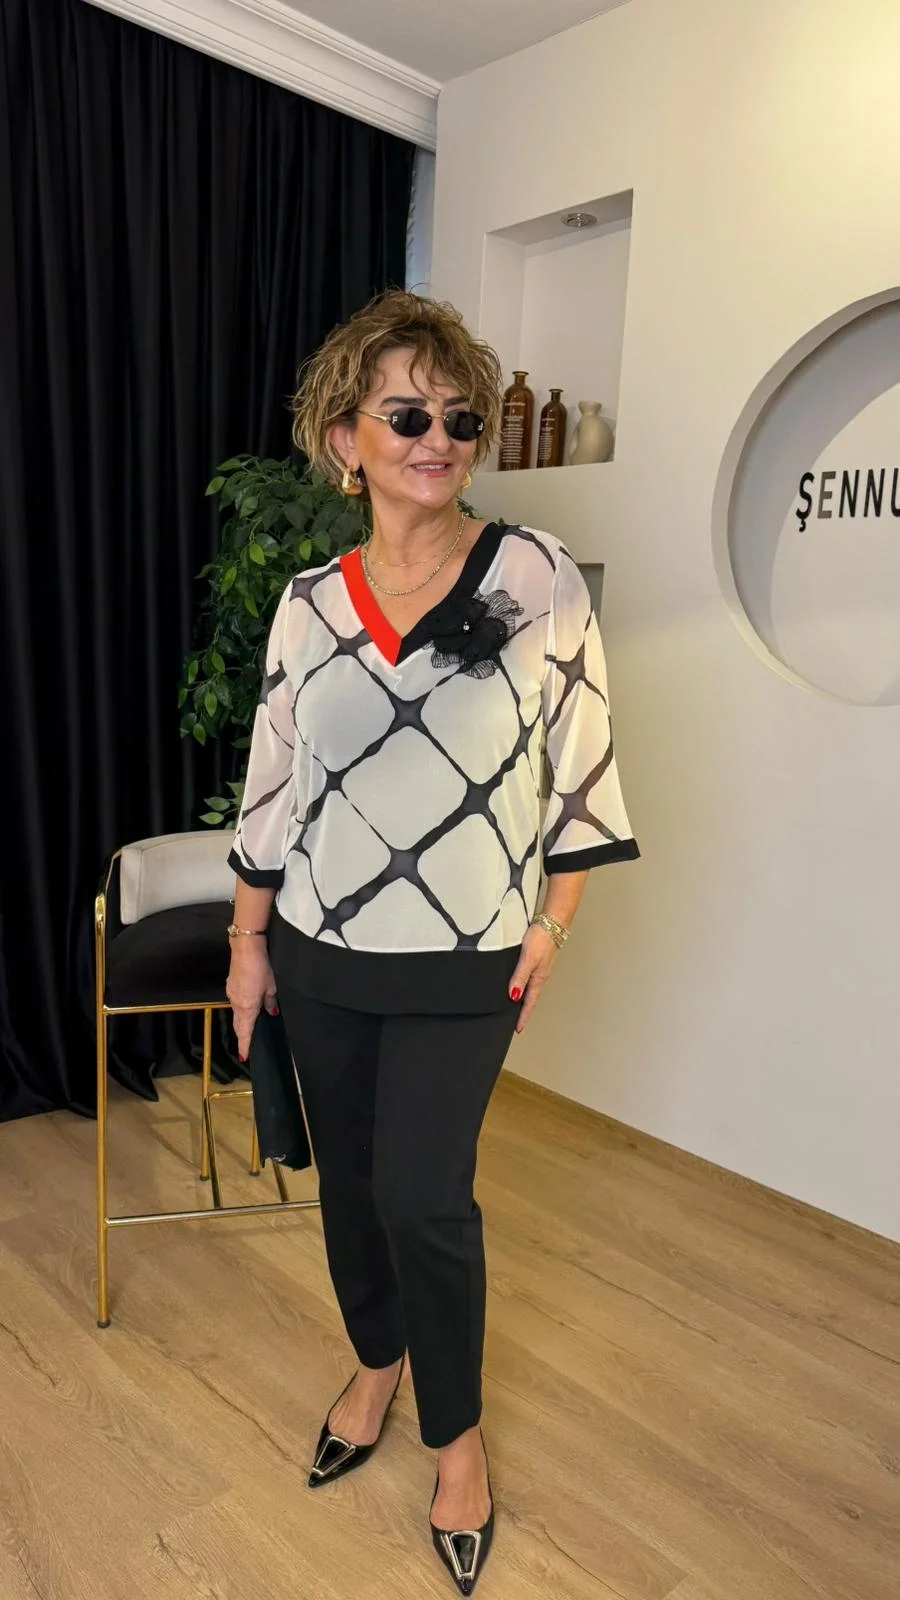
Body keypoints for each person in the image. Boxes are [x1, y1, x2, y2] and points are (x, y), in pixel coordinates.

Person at [225, 289, 639, 1594]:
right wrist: (248, 943)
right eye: (407, 415)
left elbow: (583, 762)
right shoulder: (309, 603)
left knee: (423, 1194)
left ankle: (457, 1441)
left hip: (470, 958)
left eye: (460, 419)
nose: (439, 439)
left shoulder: (536, 576)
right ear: (345, 440)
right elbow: (274, 787)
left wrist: (556, 923)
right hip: (320, 948)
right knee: (351, 1187)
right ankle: (375, 1363)